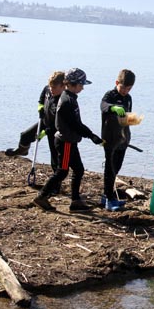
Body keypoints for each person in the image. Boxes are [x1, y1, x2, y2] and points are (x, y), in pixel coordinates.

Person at [32, 68, 103, 213]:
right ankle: (42, 196)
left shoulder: (70, 97)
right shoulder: (67, 101)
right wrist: (92, 136)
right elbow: (75, 124)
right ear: (72, 84)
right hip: (65, 142)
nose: (82, 88)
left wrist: (91, 135)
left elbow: (76, 123)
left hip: (71, 141)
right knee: (62, 172)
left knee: (78, 169)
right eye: (81, 85)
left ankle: (75, 201)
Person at [5, 71, 65, 159]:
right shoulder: (48, 89)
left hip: (55, 129)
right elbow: (41, 99)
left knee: (54, 153)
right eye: (50, 86)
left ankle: (57, 171)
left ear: (63, 87)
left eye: (54, 87)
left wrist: (43, 133)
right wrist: (40, 108)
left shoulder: (63, 101)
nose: (51, 89)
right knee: (25, 136)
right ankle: (22, 150)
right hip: (44, 121)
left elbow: (59, 123)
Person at [100, 69, 136, 211]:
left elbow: (127, 115)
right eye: (123, 88)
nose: (125, 91)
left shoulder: (128, 98)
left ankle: (107, 195)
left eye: (129, 89)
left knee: (117, 167)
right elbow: (103, 106)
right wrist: (113, 108)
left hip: (123, 138)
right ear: (117, 83)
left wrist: (132, 120)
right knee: (110, 167)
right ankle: (109, 199)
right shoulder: (110, 95)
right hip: (109, 138)